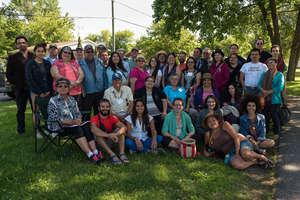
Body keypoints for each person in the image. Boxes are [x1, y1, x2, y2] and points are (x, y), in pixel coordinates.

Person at [47, 78, 103, 164]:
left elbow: (77, 113)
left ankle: (96, 152)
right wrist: (72, 122)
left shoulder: (72, 99)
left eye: (66, 86)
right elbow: (54, 118)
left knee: (87, 125)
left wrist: (79, 119)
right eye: (60, 86)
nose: (63, 88)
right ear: (56, 88)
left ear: (69, 88)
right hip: (59, 127)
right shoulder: (53, 100)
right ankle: (90, 155)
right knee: (77, 129)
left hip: (73, 124)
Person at [203, 113, 274, 169]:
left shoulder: (225, 125)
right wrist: (206, 152)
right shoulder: (208, 134)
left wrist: (237, 152)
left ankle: (262, 157)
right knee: (237, 165)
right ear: (207, 125)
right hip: (230, 152)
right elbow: (206, 146)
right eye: (209, 122)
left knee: (245, 154)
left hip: (241, 142)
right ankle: (256, 161)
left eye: (213, 120)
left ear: (218, 121)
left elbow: (236, 137)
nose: (212, 122)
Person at [6, 36, 34, 134]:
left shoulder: (33, 56)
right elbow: (8, 74)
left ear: (26, 43)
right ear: (17, 45)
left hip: (33, 88)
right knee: (21, 110)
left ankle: (37, 129)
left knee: (35, 109)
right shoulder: (12, 57)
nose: (21, 44)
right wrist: (17, 83)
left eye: (23, 42)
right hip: (20, 89)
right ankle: (21, 130)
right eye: (19, 43)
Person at [25, 43, 53, 138]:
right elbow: (30, 79)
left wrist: (49, 90)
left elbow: (50, 78)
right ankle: (37, 131)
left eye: (42, 51)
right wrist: (39, 92)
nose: (41, 53)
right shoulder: (30, 64)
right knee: (36, 111)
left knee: (49, 110)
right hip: (35, 91)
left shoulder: (47, 63)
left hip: (48, 90)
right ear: (35, 52)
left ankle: (49, 129)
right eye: (38, 51)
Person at [90, 98, 129, 165]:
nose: (105, 108)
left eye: (107, 107)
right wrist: (109, 135)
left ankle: (122, 154)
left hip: (111, 140)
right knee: (98, 135)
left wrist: (116, 134)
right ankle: (112, 155)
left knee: (121, 132)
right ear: (99, 108)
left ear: (110, 108)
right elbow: (93, 129)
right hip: (100, 144)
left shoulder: (111, 117)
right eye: (103, 107)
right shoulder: (95, 118)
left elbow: (124, 127)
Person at [78, 45, 107, 119]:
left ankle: (97, 126)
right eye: (88, 51)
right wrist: (82, 88)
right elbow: (78, 77)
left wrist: (105, 87)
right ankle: (86, 127)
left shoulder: (99, 61)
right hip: (87, 92)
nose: (90, 53)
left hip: (99, 91)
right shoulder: (79, 63)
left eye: (91, 51)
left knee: (98, 112)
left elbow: (104, 75)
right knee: (86, 112)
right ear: (84, 53)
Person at [258, 58, 284, 137]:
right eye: (268, 63)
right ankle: (266, 131)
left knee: (274, 115)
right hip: (264, 98)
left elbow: (280, 87)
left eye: (272, 62)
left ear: (276, 64)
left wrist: (268, 92)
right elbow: (259, 84)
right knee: (265, 116)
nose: (270, 64)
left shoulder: (279, 75)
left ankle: (277, 132)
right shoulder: (264, 74)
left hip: (275, 99)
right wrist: (263, 91)